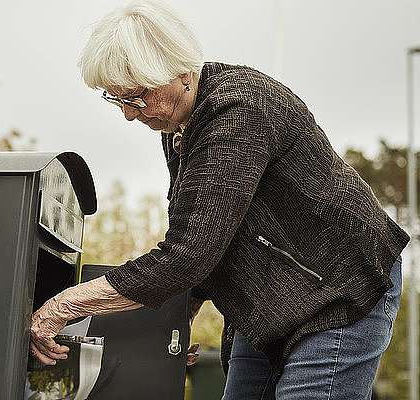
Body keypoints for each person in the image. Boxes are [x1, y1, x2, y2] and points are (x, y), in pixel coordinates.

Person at [29, 1, 410, 398]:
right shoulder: (179, 121)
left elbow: (188, 254)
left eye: (136, 97)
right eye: (117, 99)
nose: (128, 114)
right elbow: (212, 229)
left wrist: (64, 305)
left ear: (179, 71)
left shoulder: (238, 111)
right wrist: (178, 315)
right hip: (271, 299)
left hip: (337, 286)